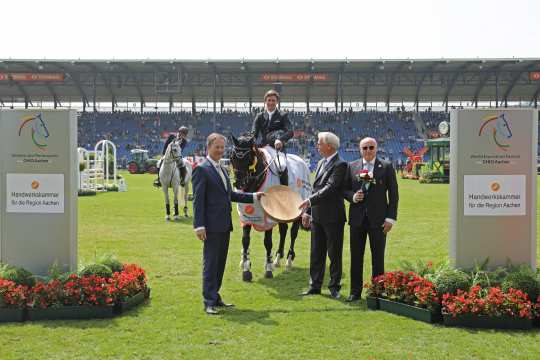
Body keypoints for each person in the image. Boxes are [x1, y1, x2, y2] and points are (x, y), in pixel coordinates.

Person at [192, 133, 264, 315]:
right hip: (210, 226)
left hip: (224, 225)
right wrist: (198, 225)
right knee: (210, 263)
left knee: (220, 263)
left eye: (223, 147)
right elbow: (198, 200)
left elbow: (230, 195)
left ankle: (215, 296)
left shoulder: (223, 169)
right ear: (208, 147)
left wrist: (254, 197)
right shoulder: (202, 169)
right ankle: (208, 301)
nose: (220, 150)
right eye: (217, 147)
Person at [342, 137, 399, 302]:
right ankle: (355, 292)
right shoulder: (351, 167)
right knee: (356, 257)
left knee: (378, 258)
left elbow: (394, 196)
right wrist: (353, 196)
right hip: (357, 220)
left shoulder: (386, 167)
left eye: (371, 147)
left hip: (379, 221)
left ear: (376, 148)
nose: (368, 150)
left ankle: (377, 293)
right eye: (365, 148)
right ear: (360, 150)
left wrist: (390, 218)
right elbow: (344, 190)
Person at [298, 132, 347, 299]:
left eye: (319, 143)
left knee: (334, 254)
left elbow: (330, 188)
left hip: (333, 217)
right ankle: (315, 285)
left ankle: (334, 287)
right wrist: (308, 212)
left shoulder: (340, 164)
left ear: (329, 146)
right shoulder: (320, 163)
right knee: (316, 253)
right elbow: (316, 189)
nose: (317, 146)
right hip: (317, 216)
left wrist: (309, 202)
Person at [251, 89, 293, 185]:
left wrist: (280, 140)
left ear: (277, 102)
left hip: (277, 148)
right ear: (265, 101)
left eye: (273, 100)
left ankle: (284, 190)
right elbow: (254, 133)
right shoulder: (259, 116)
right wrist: (249, 141)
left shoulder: (283, 115)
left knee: (281, 166)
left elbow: (290, 131)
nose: (271, 102)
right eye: (269, 100)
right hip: (263, 148)